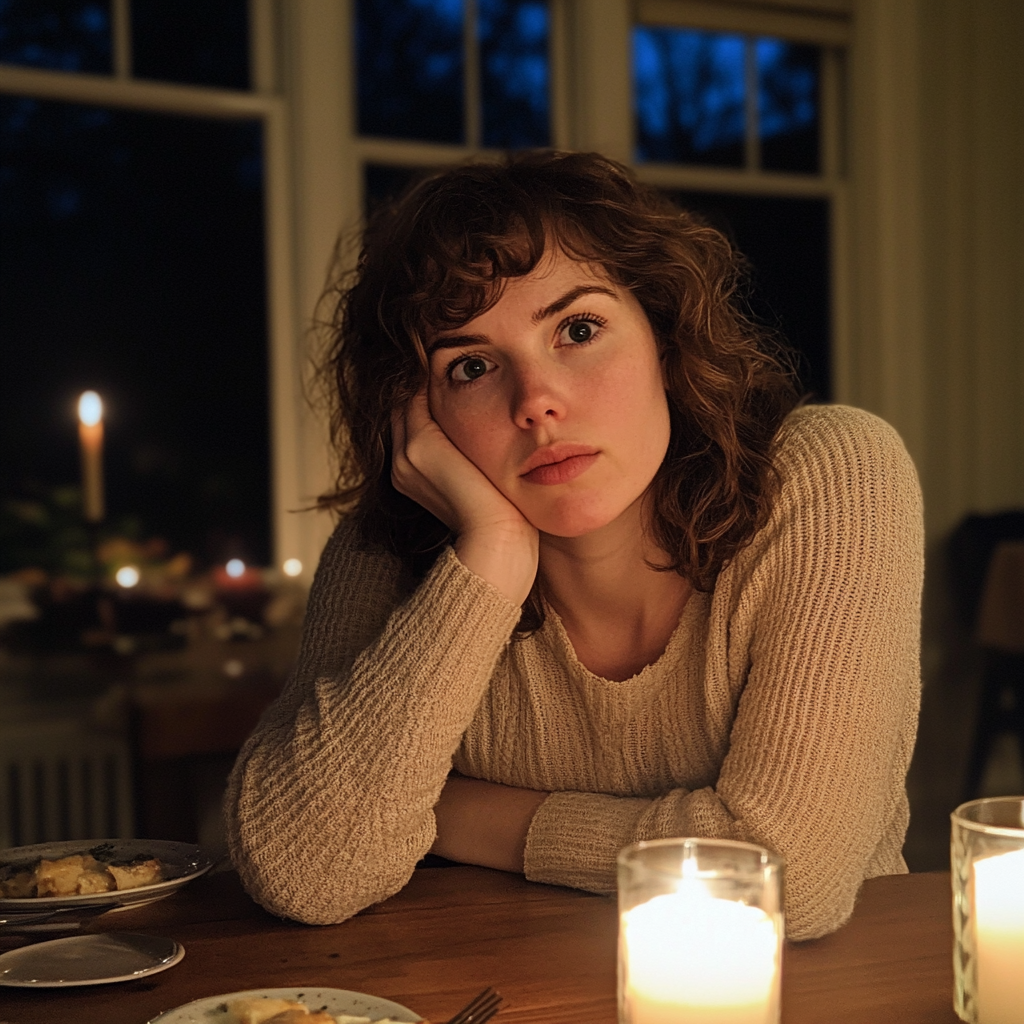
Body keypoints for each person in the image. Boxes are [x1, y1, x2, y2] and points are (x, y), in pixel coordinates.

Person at [225, 151, 923, 941]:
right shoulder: (390, 546)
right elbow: (302, 868)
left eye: (578, 329)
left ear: (664, 335)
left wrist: (452, 815)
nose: (537, 402)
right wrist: (487, 557)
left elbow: (787, 877)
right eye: (472, 366)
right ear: (417, 412)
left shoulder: (826, 476)